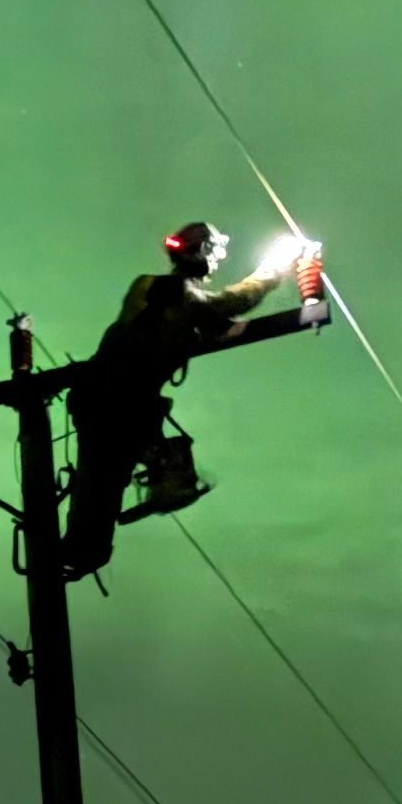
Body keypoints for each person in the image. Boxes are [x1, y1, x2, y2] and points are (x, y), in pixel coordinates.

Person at [58, 220, 329, 581]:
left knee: (102, 480)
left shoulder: (152, 291)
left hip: (102, 400)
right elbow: (233, 302)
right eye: (214, 252)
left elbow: (211, 320)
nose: (216, 261)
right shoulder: (178, 295)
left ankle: (80, 551)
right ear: (200, 250)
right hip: (119, 403)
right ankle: (82, 551)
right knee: (104, 479)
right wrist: (276, 266)